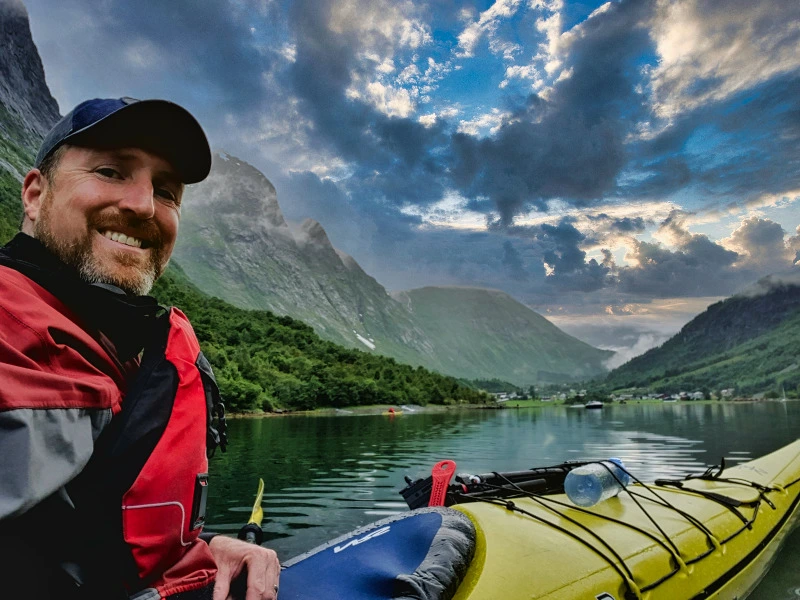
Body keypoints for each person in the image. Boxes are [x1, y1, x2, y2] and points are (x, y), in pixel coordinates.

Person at [0, 97, 280, 600]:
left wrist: (191, 555)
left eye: (166, 191)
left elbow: (69, 542)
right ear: (35, 194)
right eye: (110, 171)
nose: (143, 205)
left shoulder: (113, 340)